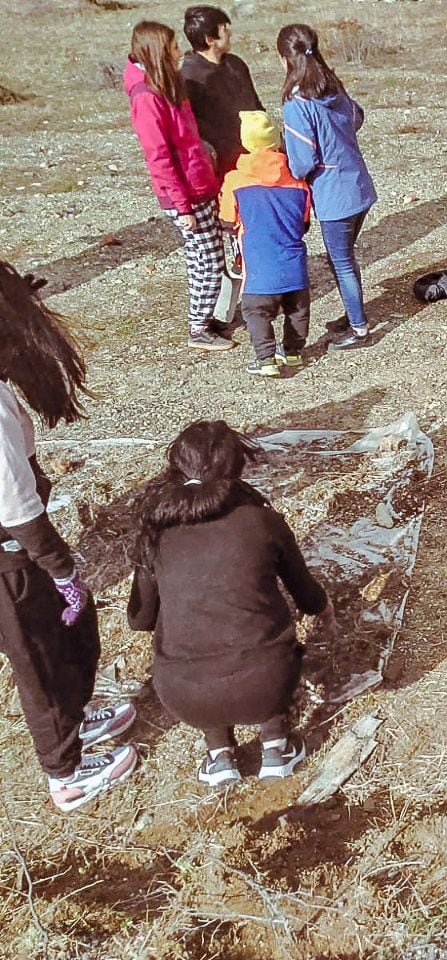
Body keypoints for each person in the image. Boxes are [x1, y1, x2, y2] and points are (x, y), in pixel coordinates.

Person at [0, 262, 138, 812]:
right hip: (10, 560)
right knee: (38, 660)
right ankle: (67, 773)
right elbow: (15, 506)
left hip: (18, 553)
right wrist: (58, 567)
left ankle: (78, 709)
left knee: (70, 629)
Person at [127, 420, 333, 786]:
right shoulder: (262, 520)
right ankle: (276, 744)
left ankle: (219, 752)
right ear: (238, 469)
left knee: (200, 638)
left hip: (184, 696)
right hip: (266, 683)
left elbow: (140, 619)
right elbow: (305, 593)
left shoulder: (156, 530)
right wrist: (324, 609)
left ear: (176, 468)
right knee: (257, 635)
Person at [125, 21, 234, 352]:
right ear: (159, 52)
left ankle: (201, 317)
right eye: (173, 47)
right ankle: (199, 327)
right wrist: (182, 206)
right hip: (185, 193)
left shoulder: (163, 83)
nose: (179, 51)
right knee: (211, 259)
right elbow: (159, 157)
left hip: (198, 182)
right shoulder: (146, 97)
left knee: (200, 256)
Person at [277, 23, 377, 352]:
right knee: (344, 257)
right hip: (359, 185)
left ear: (285, 60)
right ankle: (353, 314)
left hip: (335, 195)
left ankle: (360, 330)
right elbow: (357, 118)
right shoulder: (332, 85)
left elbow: (303, 161)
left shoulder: (297, 103)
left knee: (342, 261)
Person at [218, 111, 312, 377]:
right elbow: (304, 223)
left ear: (246, 142)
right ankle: (293, 353)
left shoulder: (235, 180)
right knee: (297, 310)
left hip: (258, 267)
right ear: (276, 140)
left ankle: (266, 359)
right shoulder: (298, 181)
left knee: (256, 312)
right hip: (294, 265)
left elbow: (227, 219)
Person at [181, 5, 264, 181]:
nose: (230, 33)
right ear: (210, 39)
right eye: (224, 28)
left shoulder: (236, 64)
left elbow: (256, 105)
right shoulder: (190, 79)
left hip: (256, 156)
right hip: (222, 167)